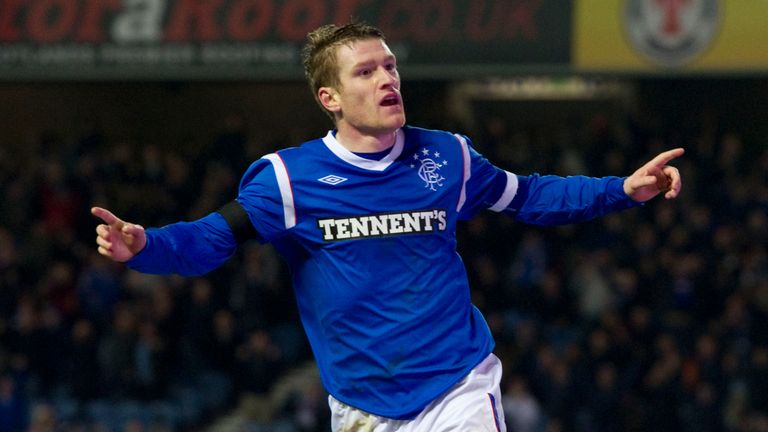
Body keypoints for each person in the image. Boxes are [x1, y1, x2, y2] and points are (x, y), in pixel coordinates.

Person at [92, 22, 683, 432]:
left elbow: (528, 195)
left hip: (458, 384)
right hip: (362, 404)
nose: (387, 79)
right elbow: (210, 240)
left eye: (391, 66)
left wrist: (621, 190)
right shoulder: (288, 180)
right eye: (367, 71)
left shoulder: (448, 157)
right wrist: (147, 246)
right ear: (330, 96)